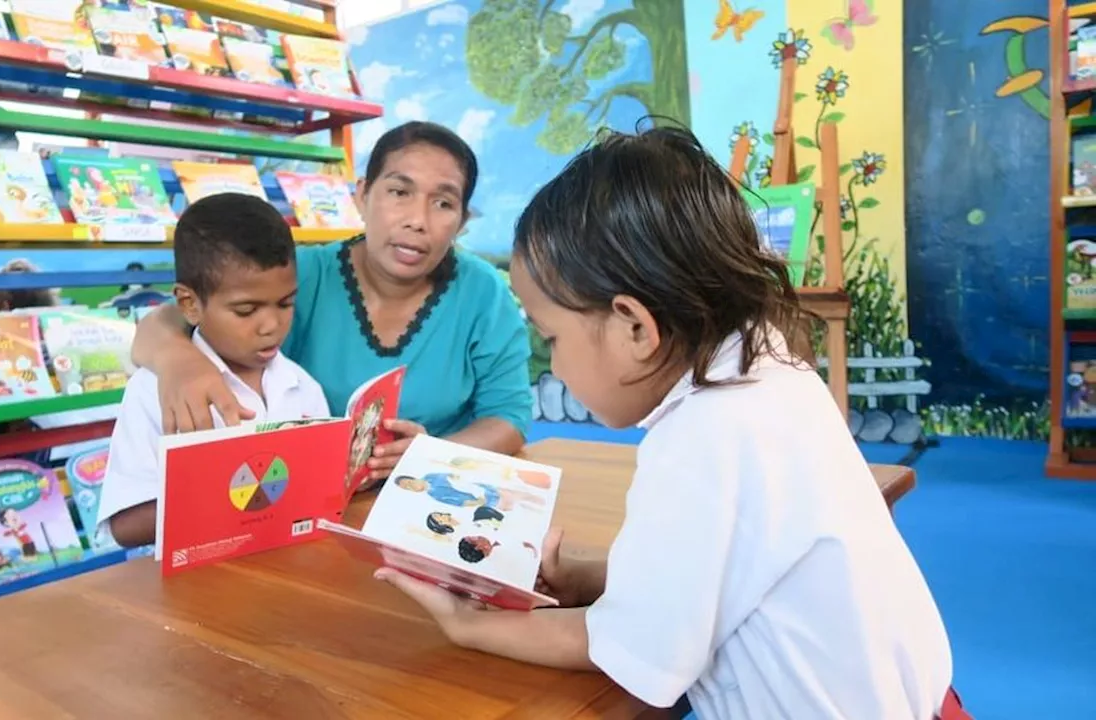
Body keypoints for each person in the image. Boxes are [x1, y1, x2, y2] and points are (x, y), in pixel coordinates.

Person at [373, 123, 962, 720]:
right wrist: (586, 577)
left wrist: (471, 625)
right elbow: (716, 564)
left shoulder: (703, 438)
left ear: (636, 328)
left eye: (551, 337)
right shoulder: (767, 368)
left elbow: (628, 650)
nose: (552, 361)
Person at [132, 122, 533, 485]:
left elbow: (508, 418)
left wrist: (431, 456)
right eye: (399, 192)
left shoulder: (483, 292)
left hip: (429, 496)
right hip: (295, 502)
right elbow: (166, 322)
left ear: (462, 221)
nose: (417, 220)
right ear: (362, 195)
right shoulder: (299, 274)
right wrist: (178, 361)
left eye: (443, 203)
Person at [96, 193, 329, 548]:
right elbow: (125, 525)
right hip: (194, 589)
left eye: (286, 304)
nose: (271, 325)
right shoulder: (154, 390)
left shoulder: (302, 386)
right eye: (246, 310)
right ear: (190, 304)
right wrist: (241, 492)